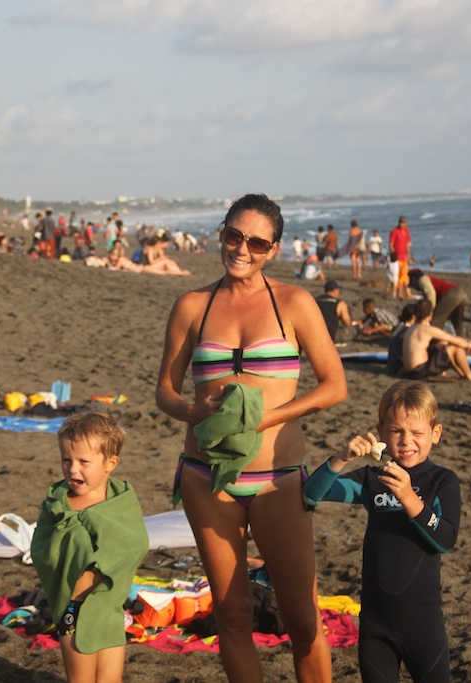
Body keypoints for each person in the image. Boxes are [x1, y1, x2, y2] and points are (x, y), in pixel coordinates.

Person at [156, 193, 346, 683]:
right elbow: (165, 392)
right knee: (233, 615)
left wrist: (273, 417)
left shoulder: (295, 303)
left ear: (274, 248)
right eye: (233, 235)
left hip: (278, 479)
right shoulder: (192, 305)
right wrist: (191, 410)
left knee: (303, 621)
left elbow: (334, 385)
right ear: (221, 233)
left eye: (257, 242)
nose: (242, 248)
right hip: (207, 478)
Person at [304, 381, 460, 683]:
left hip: (423, 626)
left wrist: (409, 499)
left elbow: (445, 540)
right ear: (381, 432)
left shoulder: (443, 481)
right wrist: (341, 458)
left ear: (435, 434)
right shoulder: (371, 479)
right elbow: (312, 493)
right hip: (376, 626)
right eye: (396, 431)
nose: (406, 441)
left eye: (417, 433)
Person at [30, 411, 149, 683]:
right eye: (66, 460)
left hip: (109, 606)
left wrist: (98, 568)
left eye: (83, 461)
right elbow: (43, 548)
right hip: (73, 610)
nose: (72, 469)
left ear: (110, 463)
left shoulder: (120, 501)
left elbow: (135, 542)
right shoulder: (57, 504)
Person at [402, 300, 471, 382]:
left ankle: (462, 374)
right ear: (430, 315)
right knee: (455, 347)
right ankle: (470, 375)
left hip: (410, 371)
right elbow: (452, 339)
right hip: (420, 371)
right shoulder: (426, 329)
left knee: (442, 346)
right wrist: (469, 344)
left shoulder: (411, 328)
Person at [409, 268, 470, 337]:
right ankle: (461, 339)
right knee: (457, 322)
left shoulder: (422, 279)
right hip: (462, 294)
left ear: (414, 278)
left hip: (452, 294)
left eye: (411, 283)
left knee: (436, 321)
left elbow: (431, 293)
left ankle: (437, 341)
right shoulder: (429, 281)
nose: (412, 286)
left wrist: (430, 310)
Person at [386, 303, 417, 377]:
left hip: (391, 366)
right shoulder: (408, 331)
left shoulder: (400, 327)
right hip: (399, 367)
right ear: (413, 317)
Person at [388, 216, 412, 299]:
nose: (403, 224)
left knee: (404, 275)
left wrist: (409, 254)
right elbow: (391, 244)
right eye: (401, 222)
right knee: (399, 275)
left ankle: (407, 293)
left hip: (404, 256)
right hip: (397, 257)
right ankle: (399, 292)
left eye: (404, 223)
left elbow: (408, 243)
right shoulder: (394, 231)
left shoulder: (406, 230)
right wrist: (394, 256)